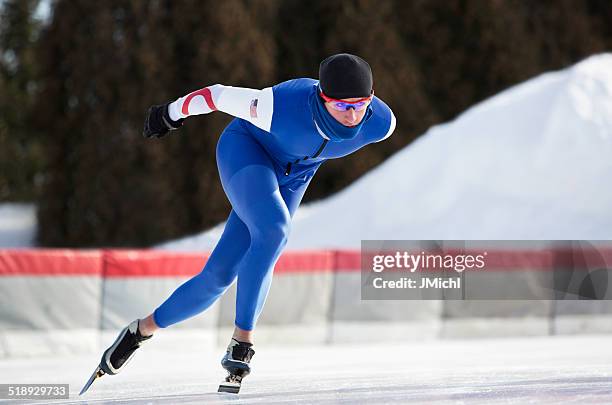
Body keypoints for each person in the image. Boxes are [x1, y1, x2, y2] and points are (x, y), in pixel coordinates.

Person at [99, 53, 396, 391]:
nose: (352, 116)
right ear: (321, 97)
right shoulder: (277, 106)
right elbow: (215, 95)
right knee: (274, 230)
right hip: (247, 150)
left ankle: (140, 331)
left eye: (360, 105)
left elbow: (351, 124)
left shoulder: (381, 123)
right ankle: (242, 341)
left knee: (219, 276)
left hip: (295, 175)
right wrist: (169, 113)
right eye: (342, 107)